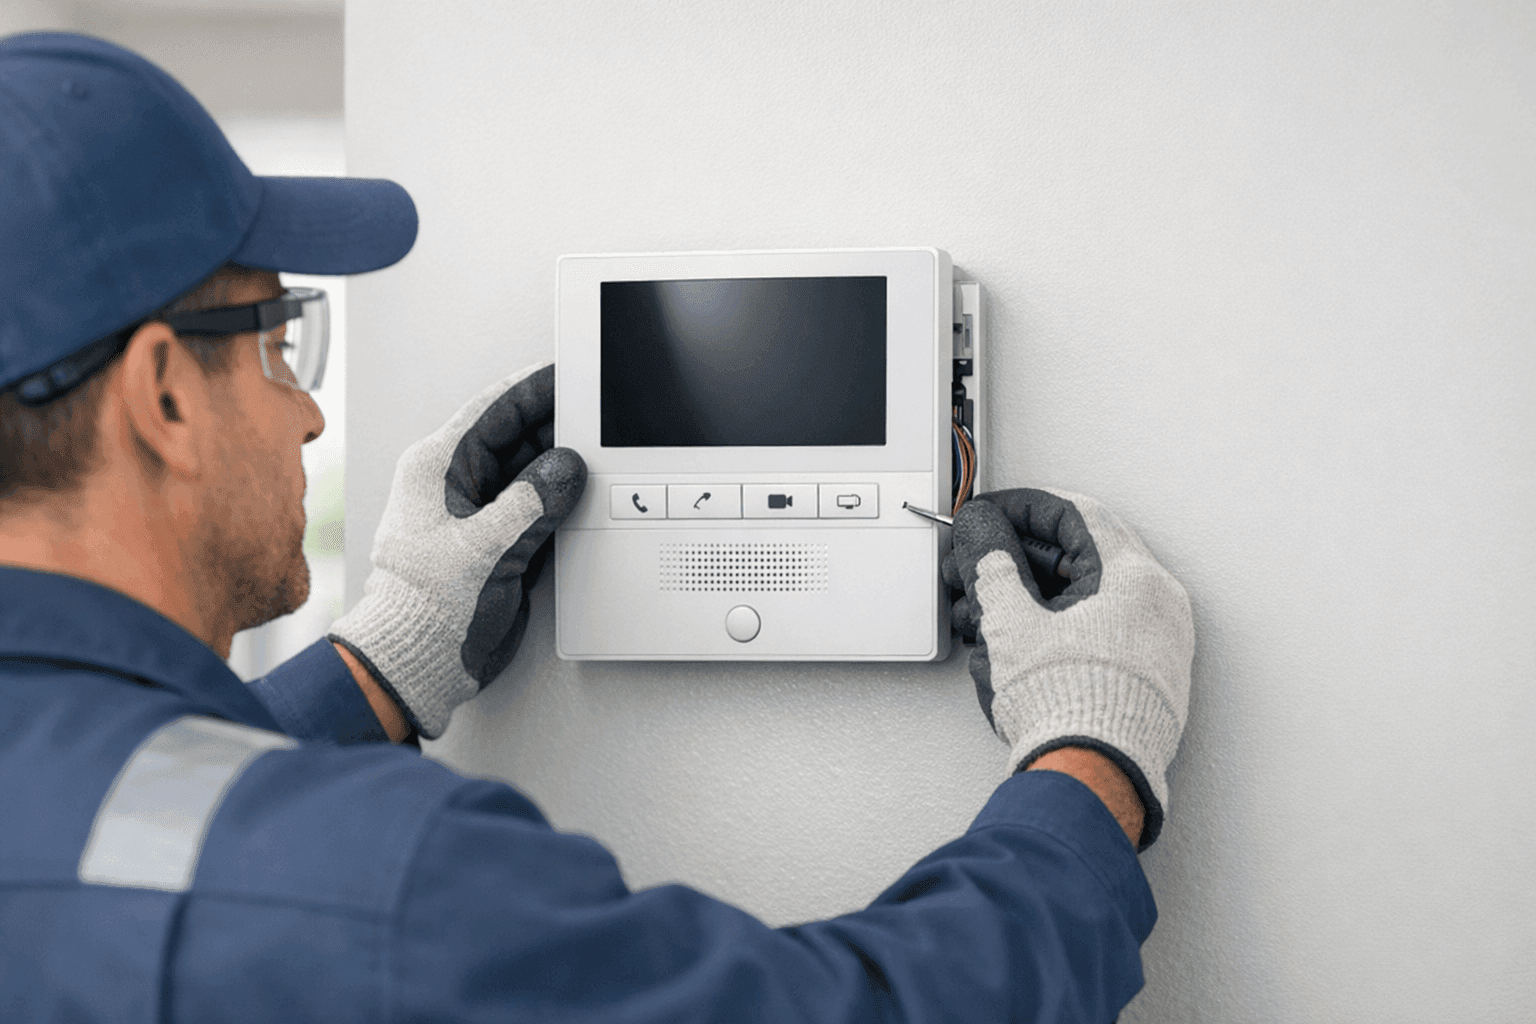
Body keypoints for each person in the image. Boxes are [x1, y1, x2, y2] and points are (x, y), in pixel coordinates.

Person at [0, 31, 1194, 1024]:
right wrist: (1092, 760)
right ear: (162, 396)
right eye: (272, 340)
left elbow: (115, 825)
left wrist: (385, 660)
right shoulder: (377, 884)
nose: (309, 410)